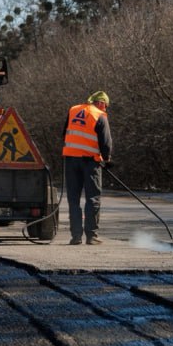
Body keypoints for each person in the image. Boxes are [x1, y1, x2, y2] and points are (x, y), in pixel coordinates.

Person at [61, 90, 113, 246]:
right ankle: (91, 236)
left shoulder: (73, 110)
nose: (105, 109)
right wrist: (107, 159)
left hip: (71, 160)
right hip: (90, 162)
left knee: (73, 199)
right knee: (93, 198)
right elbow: (105, 142)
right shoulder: (99, 115)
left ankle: (76, 236)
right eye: (106, 106)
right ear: (101, 103)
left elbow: (64, 133)